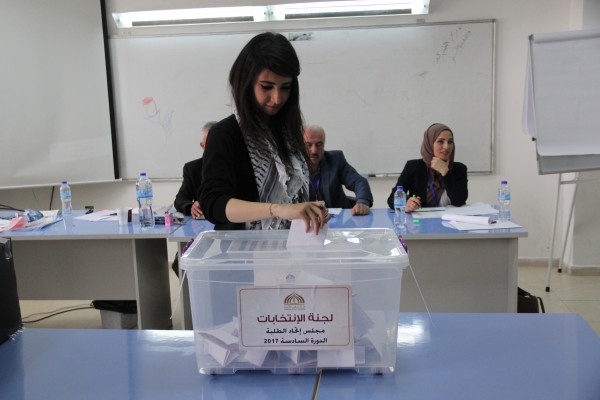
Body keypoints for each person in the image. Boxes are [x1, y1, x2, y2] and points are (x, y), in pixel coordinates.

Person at [200, 32, 329, 233]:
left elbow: (296, 195)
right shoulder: (225, 134)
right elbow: (214, 203)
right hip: (243, 250)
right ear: (246, 82)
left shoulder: (289, 133)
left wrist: (311, 211)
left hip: (291, 246)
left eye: (285, 87)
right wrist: (277, 209)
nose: (277, 98)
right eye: (267, 87)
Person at [387, 123, 468, 212]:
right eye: (441, 141)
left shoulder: (459, 169)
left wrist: (445, 171)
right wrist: (406, 204)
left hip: (450, 219)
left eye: (450, 142)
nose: (446, 146)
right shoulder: (414, 167)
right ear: (429, 143)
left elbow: (459, 201)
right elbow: (392, 199)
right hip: (421, 220)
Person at [304, 124, 373, 216]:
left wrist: (362, 202)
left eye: (319, 145)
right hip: (306, 220)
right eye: (308, 145)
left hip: (337, 220)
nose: (314, 150)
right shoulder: (292, 167)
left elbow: (358, 182)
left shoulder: (335, 160)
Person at [173, 121, 217, 219]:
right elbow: (180, 199)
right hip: (203, 221)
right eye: (210, 142)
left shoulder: (237, 165)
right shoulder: (192, 169)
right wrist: (191, 206)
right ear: (203, 145)